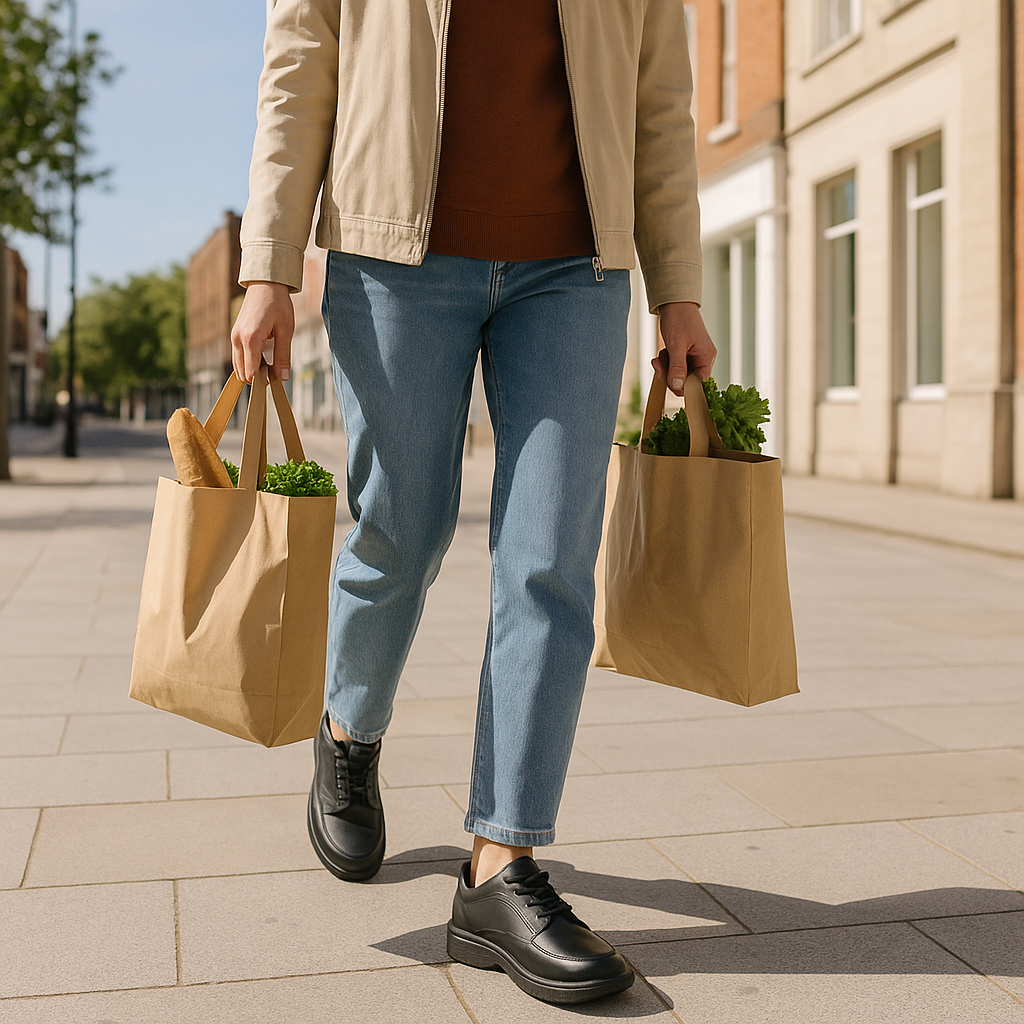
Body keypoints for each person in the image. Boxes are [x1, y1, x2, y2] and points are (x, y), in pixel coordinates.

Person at [231, 0, 716, 1006]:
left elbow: (658, 100)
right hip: (393, 262)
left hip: (578, 269)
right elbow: (300, 66)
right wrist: (268, 265)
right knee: (397, 533)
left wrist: (678, 287)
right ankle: (348, 734)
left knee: (548, 558)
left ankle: (500, 860)